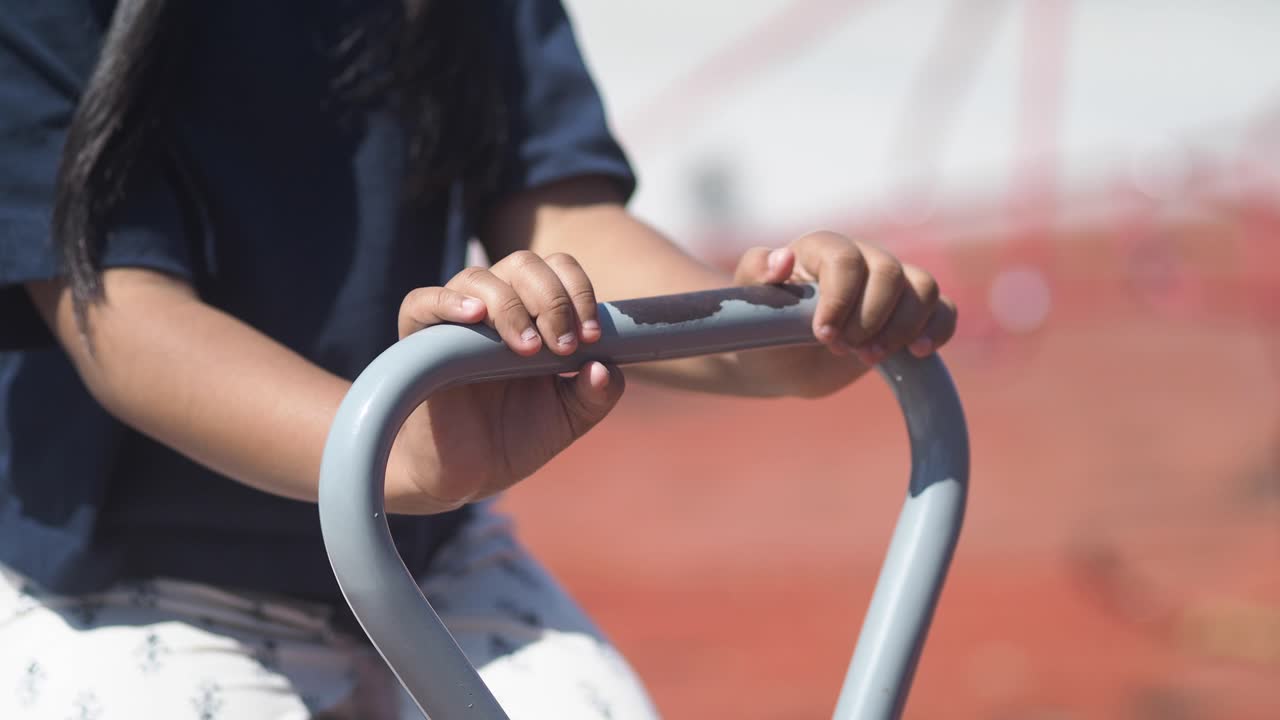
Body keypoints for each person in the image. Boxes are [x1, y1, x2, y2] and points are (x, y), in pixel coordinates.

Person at [0, 1, 958, 718]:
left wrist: (780, 336)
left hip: (427, 560)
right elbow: (121, 315)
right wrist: (399, 460)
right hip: (130, 585)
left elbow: (562, 214)